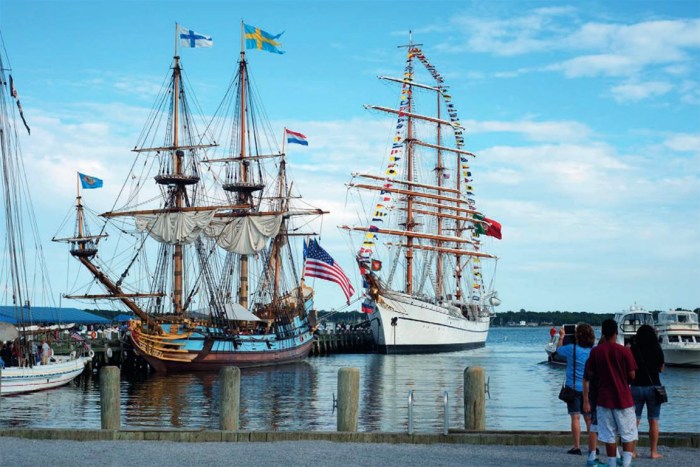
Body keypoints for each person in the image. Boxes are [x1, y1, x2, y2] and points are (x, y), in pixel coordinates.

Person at [584, 319, 638, 467]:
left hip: (603, 399)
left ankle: (612, 463)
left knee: (609, 435)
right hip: (623, 398)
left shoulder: (596, 351)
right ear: (617, 332)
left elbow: (590, 372)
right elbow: (632, 375)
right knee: (628, 433)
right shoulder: (624, 351)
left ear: (602, 332)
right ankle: (626, 463)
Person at [556, 322, 595, 456]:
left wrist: (561, 337)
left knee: (575, 418)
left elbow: (558, 350)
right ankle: (592, 446)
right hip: (589, 389)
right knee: (589, 418)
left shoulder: (571, 349)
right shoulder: (592, 351)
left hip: (572, 388)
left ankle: (576, 447)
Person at [630, 324, 665, 459]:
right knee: (654, 420)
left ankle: (631, 451)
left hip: (636, 387)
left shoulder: (634, 349)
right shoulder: (657, 348)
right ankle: (653, 452)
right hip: (654, 388)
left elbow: (630, 369)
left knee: (634, 420)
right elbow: (661, 368)